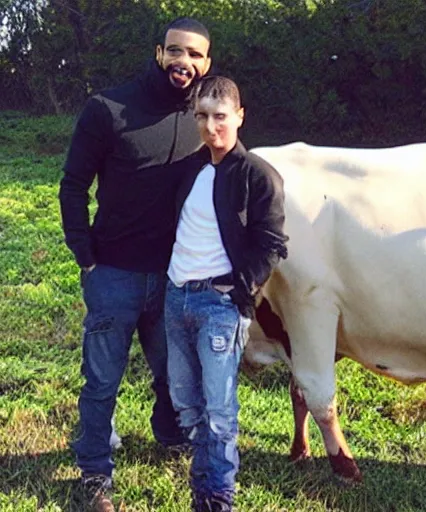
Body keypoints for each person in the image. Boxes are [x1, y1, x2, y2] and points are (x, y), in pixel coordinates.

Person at [58, 17, 212, 512]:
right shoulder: (108, 109)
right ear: (158, 52)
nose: (183, 62)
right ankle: (93, 474)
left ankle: (169, 434)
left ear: (206, 64)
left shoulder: (203, 118)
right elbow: (73, 184)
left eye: (194, 55)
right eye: (175, 51)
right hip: (114, 272)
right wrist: (84, 254)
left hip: (174, 276)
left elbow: (235, 169)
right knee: (102, 380)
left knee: (174, 374)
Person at [164, 76, 289, 512]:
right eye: (202, 116)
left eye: (220, 116)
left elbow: (272, 243)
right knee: (187, 405)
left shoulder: (257, 174)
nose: (211, 126)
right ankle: (202, 492)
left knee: (218, 413)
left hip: (218, 306)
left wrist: (240, 290)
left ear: (239, 116)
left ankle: (218, 501)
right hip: (175, 297)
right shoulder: (191, 168)